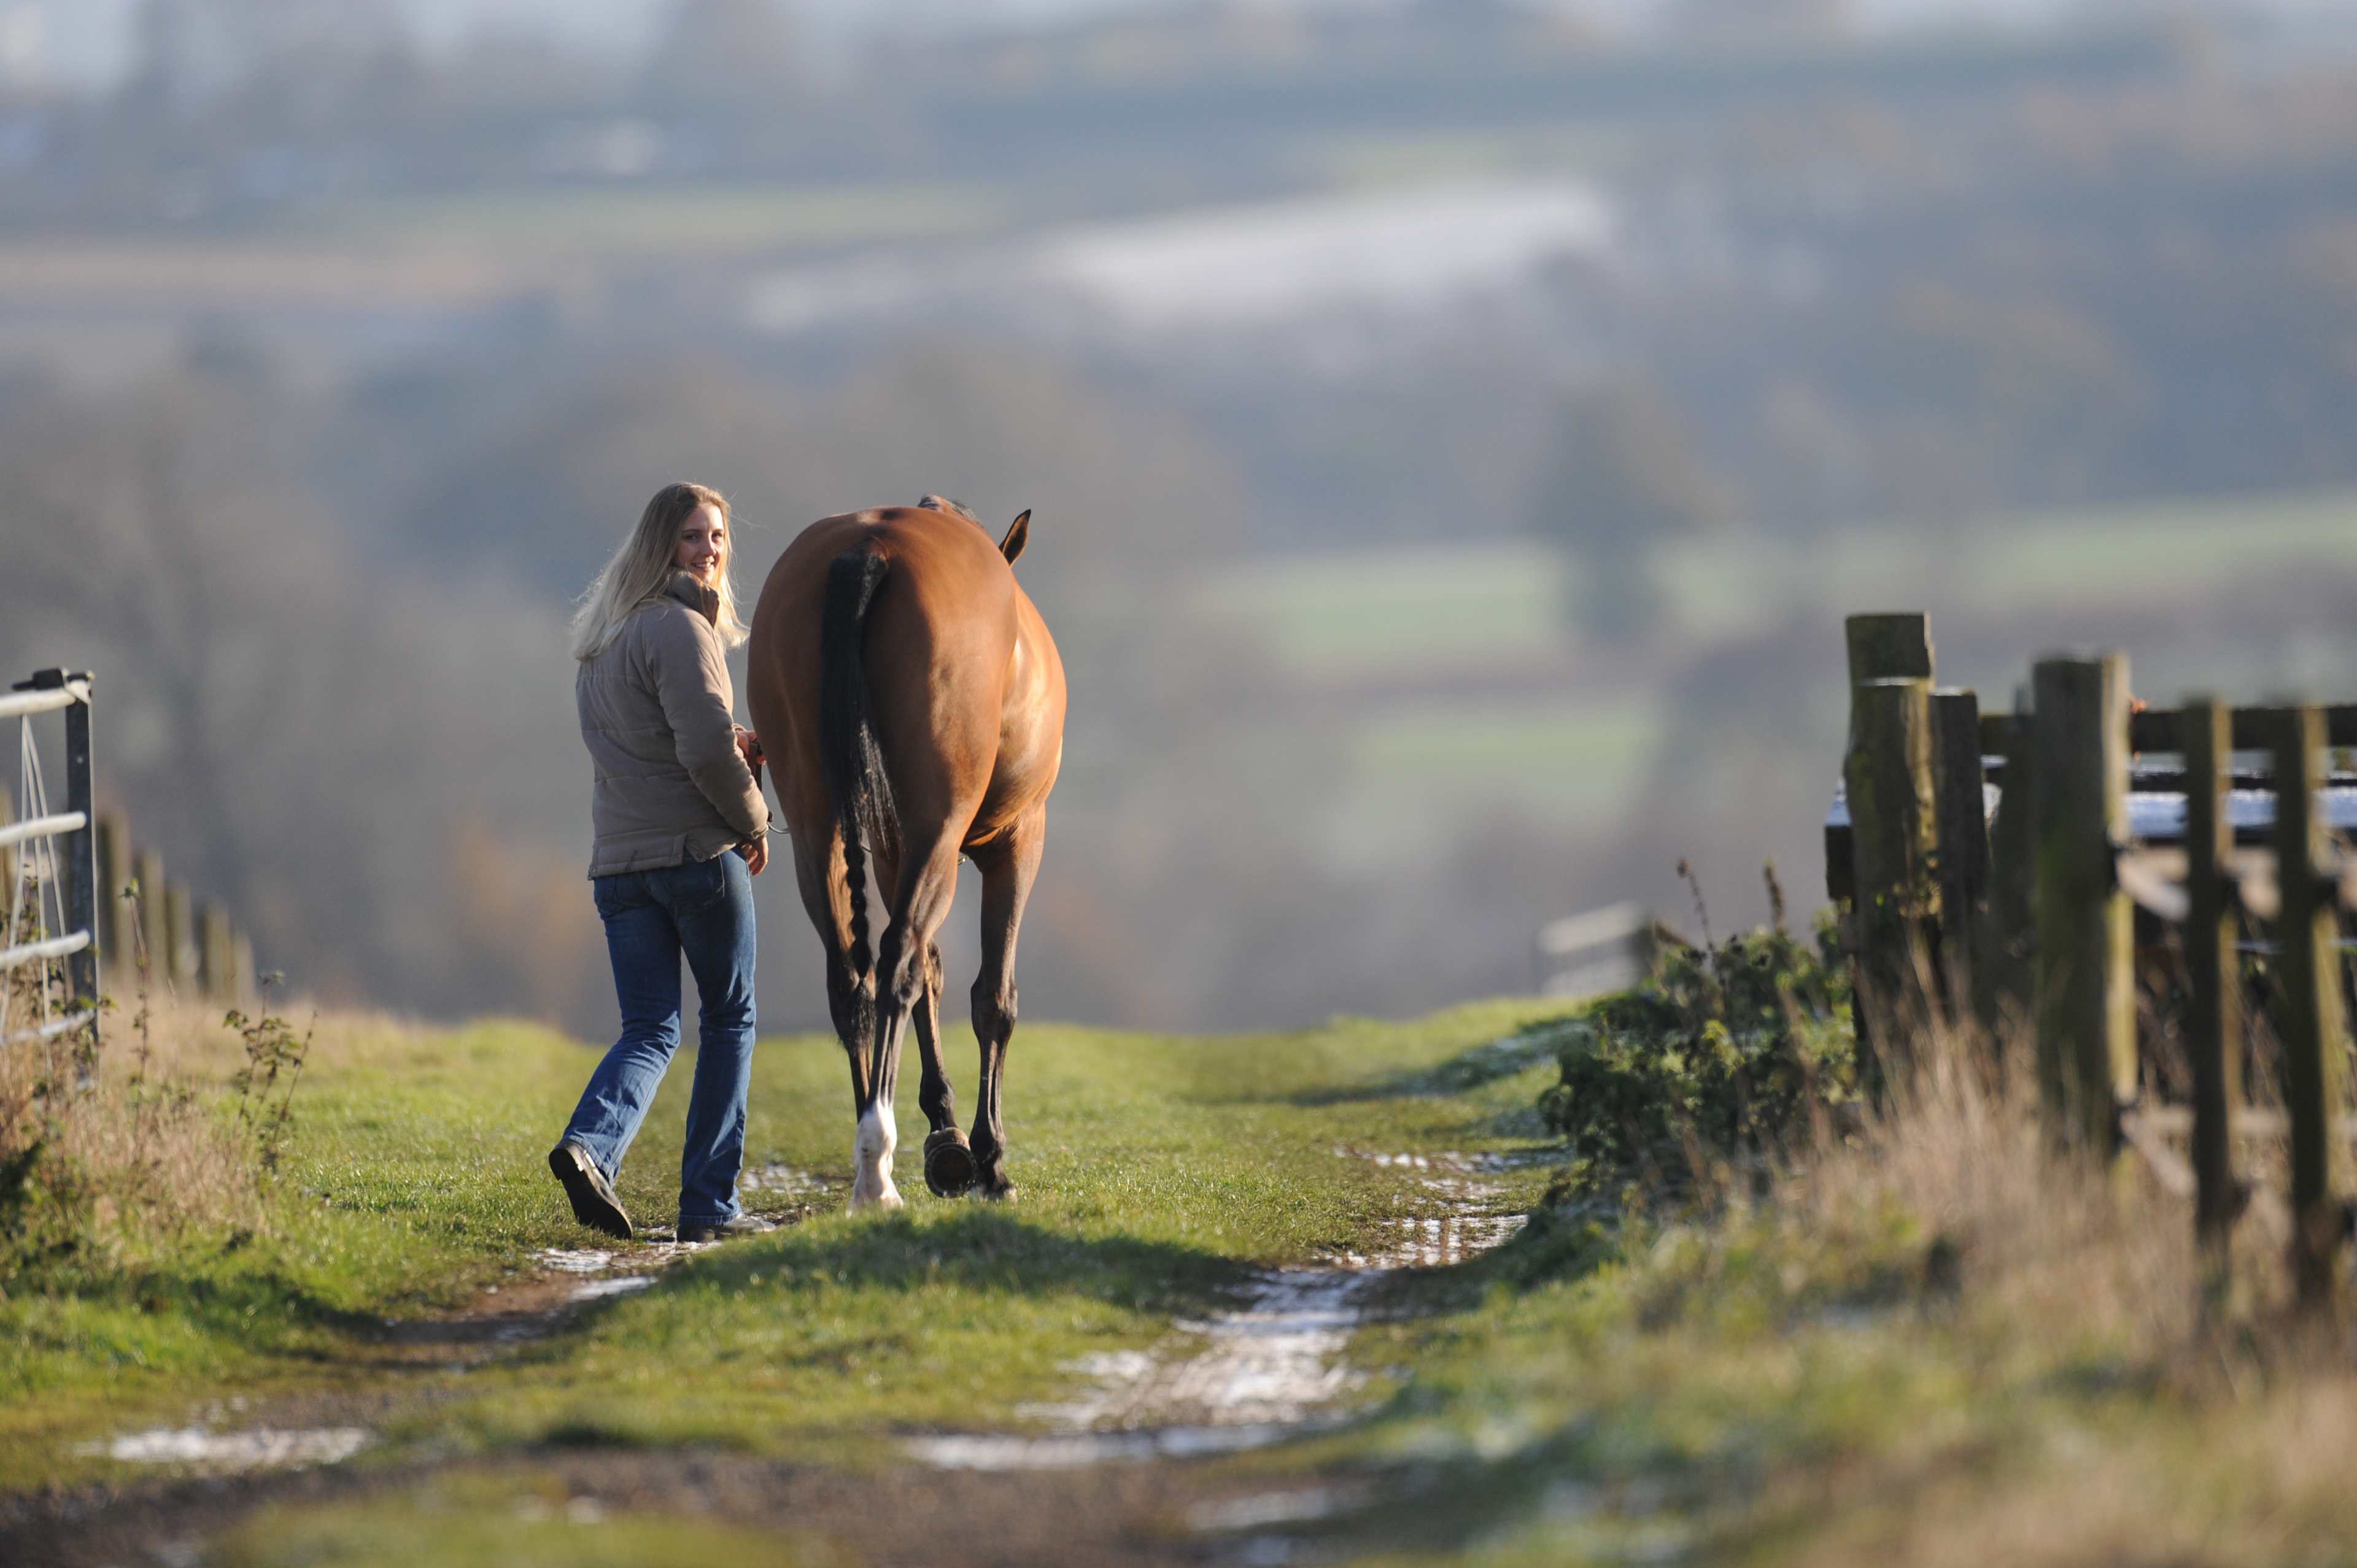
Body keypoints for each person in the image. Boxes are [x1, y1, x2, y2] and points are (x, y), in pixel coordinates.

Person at [548, 481, 775, 1245]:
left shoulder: (601, 641)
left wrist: (724, 734)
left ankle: (590, 1147)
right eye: (692, 537)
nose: (709, 551)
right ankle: (710, 1207)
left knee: (649, 1026)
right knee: (729, 1018)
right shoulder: (681, 629)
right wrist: (755, 820)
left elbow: (646, 740)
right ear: (660, 547)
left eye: (716, 537)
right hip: (695, 856)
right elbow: (703, 748)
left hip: (619, 867)